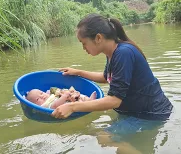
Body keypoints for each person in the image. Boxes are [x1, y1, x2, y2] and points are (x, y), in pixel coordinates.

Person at [51, 13, 173, 142]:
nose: (83, 48)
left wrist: (72, 107)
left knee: (104, 138)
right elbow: (106, 77)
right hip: (136, 111)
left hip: (151, 114)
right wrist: (79, 72)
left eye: (84, 43)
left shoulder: (123, 53)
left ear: (98, 38)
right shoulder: (112, 53)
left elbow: (115, 100)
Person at [26, 87, 97, 109]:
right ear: (35, 105)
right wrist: (64, 96)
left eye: (41, 93)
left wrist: (63, 93)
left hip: (69, 99)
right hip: (68, 105)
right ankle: (88, 104)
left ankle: (89, 100)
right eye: (38, 99)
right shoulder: (45, 105)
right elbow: (55, 105)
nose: (42, 96)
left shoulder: (50, 94)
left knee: (80, 96)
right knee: (79, 104)